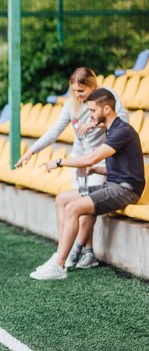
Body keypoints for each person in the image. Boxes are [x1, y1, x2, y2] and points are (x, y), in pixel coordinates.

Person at [16, 67, 128, 270]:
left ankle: (73, 254)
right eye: (74, 90)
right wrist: (31, 151)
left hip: (98, 161)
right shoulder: (71, 105)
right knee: (72, 203)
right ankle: (75, 251)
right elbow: (54, 132)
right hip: (79, 159)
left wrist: (93, 126)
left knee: (86, 205)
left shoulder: (105, 97)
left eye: (82, 91)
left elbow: (121, 123)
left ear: (93, 86)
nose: (78, 95)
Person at [30, 88, 145, 281]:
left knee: (74, 208)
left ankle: (60, 265)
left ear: (106, 109)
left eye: (92, 111)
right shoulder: (112, 130)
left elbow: (90, 158)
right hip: (113, 186)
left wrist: (59, 162)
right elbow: (122, 168)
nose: (90, 115)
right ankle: (61, 254)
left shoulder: (122, 130)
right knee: (63, 199)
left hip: (125, 190)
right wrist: (97, 171)